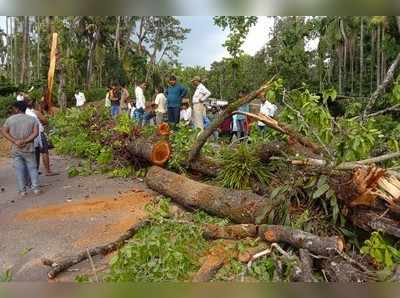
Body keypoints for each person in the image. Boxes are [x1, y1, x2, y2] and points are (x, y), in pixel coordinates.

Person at [1, 101, 40, 196]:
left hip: (16, 149)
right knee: (33, 168)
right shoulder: (32, 119)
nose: (13, 109)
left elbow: (3, 131)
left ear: (17, 109)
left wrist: (15, 141)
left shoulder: (10, 120)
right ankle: (35, 189)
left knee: (19, 170)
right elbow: (36, 133)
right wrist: (25, 141)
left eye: (14, 108)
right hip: (29, 148)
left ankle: (22, 191)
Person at [25, 99, 58, 176]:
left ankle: (33, 172)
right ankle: (48, 171)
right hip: (38, 133)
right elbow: (45, 120)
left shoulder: (24, 113)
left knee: (33, 153)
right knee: (44, 151)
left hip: (28, 135)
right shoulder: (34, 112)